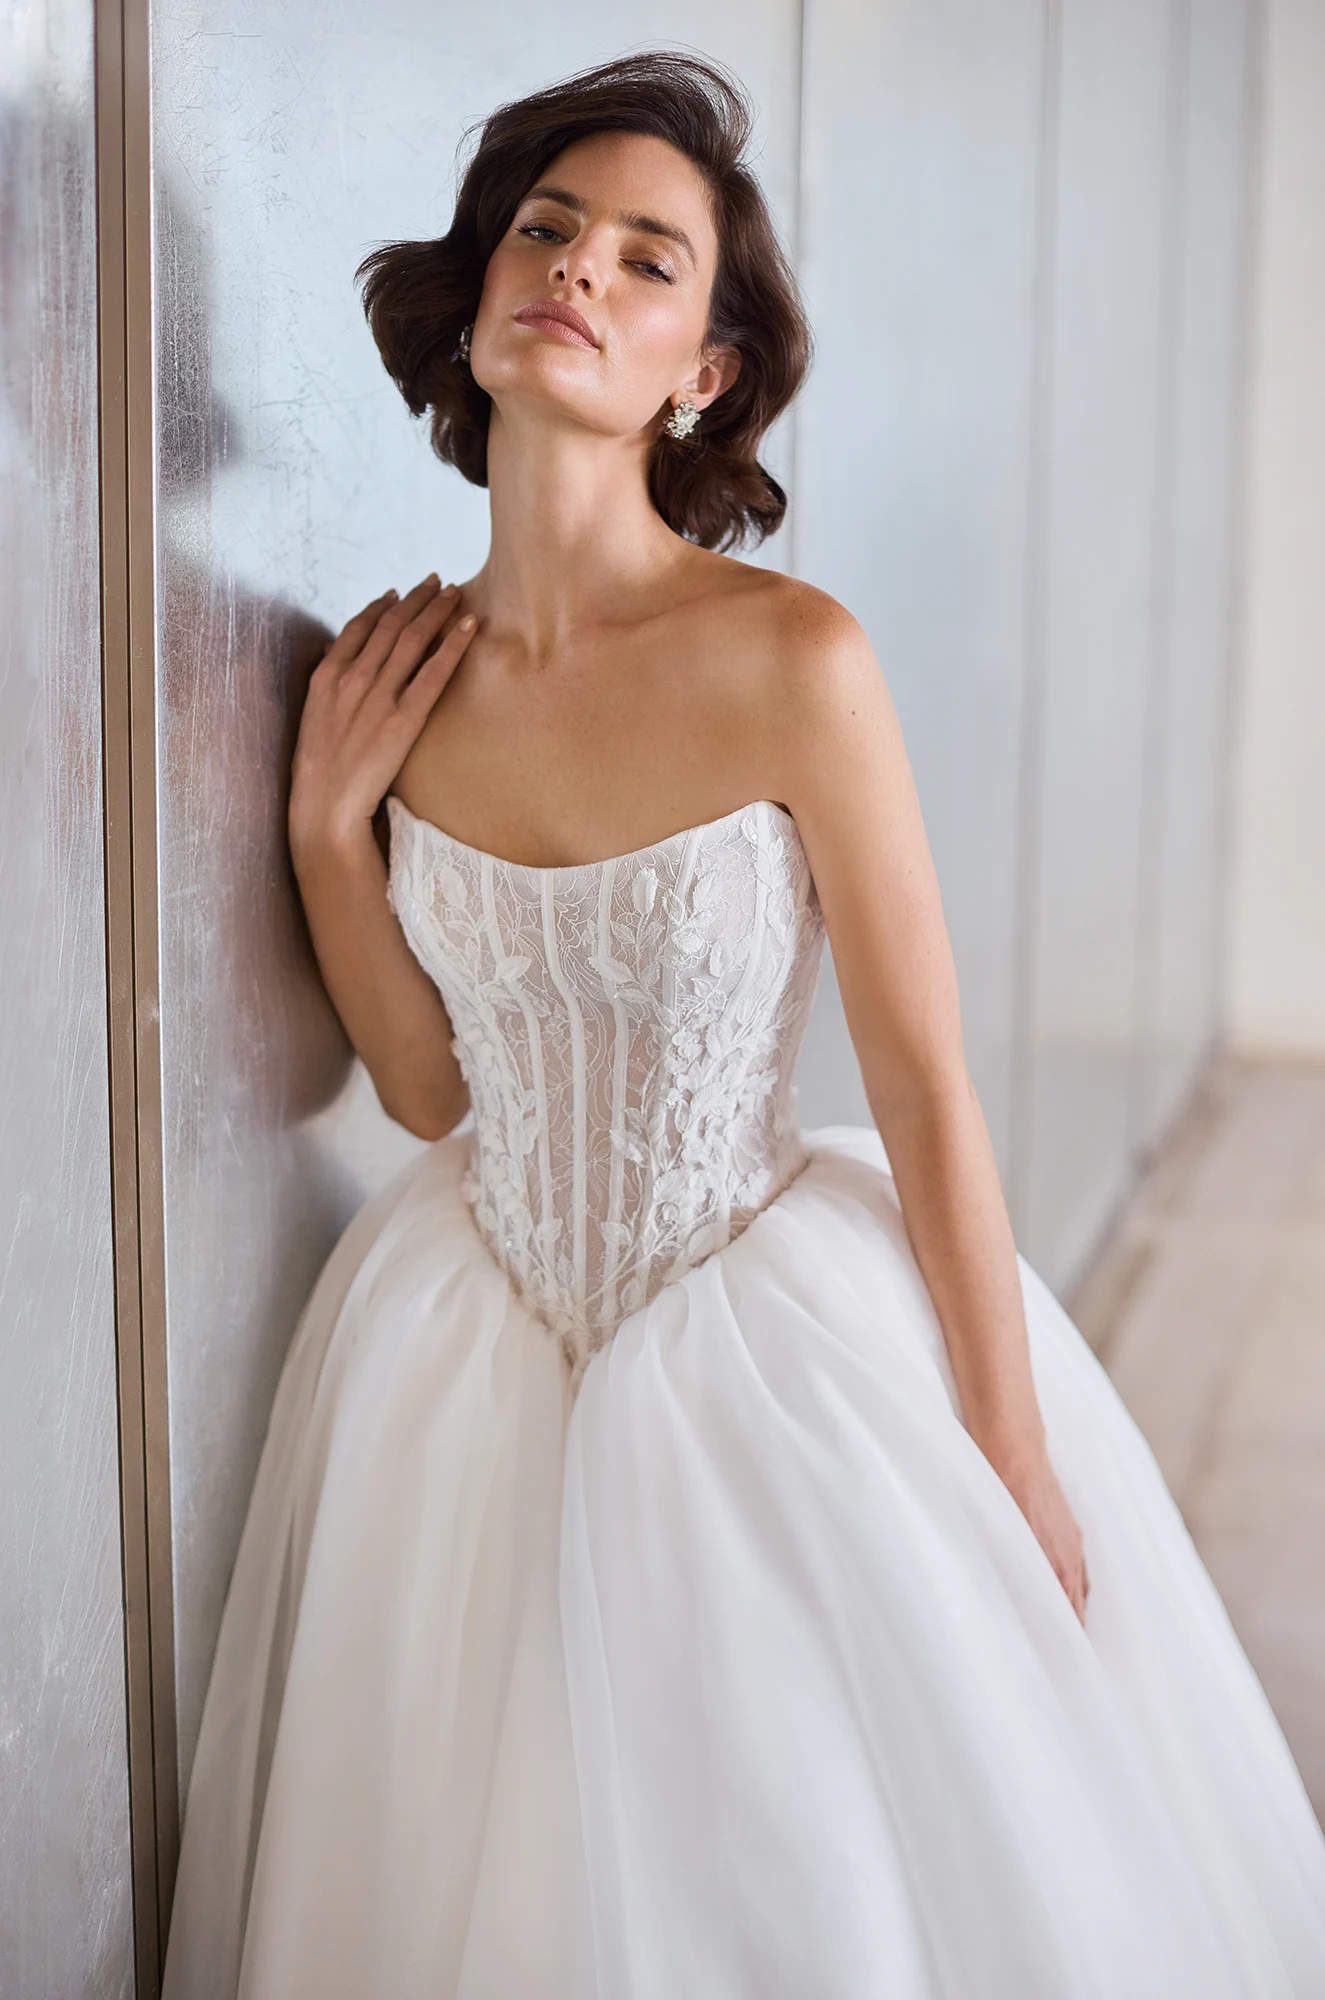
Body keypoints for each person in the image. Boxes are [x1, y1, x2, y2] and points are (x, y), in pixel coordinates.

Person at [162, 48, 1325, 2000]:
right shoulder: (389, 678)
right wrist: (324, 833)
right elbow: (428, 1087)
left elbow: (926, 1086)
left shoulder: (791, 660)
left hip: (759, 1340)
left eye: (646, 257)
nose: (579, 270)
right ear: (477, 291)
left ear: (700, 371)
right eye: (546, 229)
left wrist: (1010, 1453)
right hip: (465, 1349)